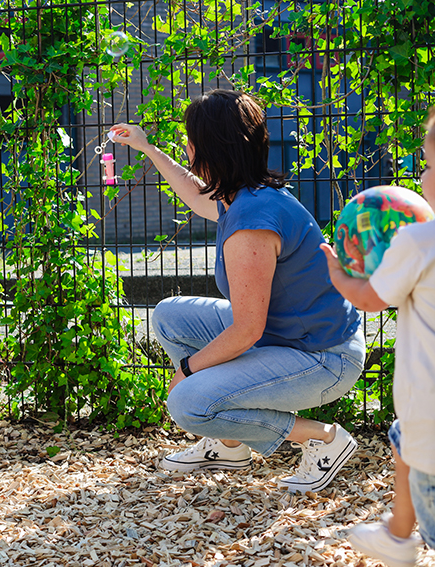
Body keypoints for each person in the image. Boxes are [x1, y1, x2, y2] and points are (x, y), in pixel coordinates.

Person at [110, 89, 365, 493]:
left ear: (205, 149)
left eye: (189, 141)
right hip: (287, 338)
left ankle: (322, 438)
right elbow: (195, 195)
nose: (187, 149)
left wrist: (189, 370)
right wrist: (146, 147)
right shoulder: (242, 197)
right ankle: (229, 444)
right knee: (169, 316)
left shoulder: (251, 223)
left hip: (322, 358)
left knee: (187, 401)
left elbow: (246, 330)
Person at [320, 110, 435, 567]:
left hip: (429, 416)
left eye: (426, 165)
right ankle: (397, 534)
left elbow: (369, 299)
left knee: (410, 438)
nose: (421, 175)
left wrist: (337, 272)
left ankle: (400, 535)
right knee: (400, 437)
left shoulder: (417, 242)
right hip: (418, 425)